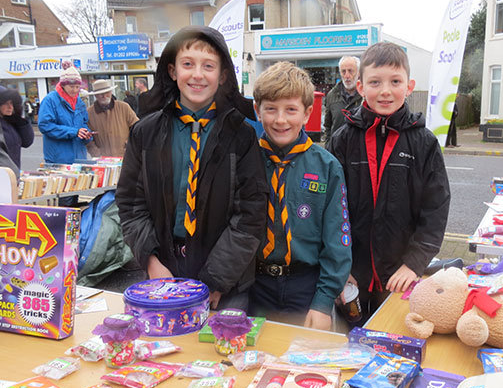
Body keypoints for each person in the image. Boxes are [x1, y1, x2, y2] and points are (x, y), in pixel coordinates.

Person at [116, 26, 268, 312]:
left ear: (222, 76)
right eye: (188, 64)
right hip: (161, 276)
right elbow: (130, 203)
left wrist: (215, 280)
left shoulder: (242, 135)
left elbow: (251, 213)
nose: (197, 75)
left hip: (226, 287)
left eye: (208, 66)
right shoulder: (144, 133)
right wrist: (151, 263)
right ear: (173, 71)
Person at [330, 42, 451, 325]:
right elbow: (330, 208)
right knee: (351, 344)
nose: (385, 91)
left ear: (409, 86)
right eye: (375, 82)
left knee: (393, 342)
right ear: (360, 87)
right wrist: (337, 264)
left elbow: (436, 208)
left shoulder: (424, 143)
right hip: (351, 274)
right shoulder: (342, 140)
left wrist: (414, 263)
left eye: (395, 81)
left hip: (399, 275)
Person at [249, 62, 351, 330]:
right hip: (253, 288)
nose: (280, 120)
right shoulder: (245, 161)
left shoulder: (327, 167)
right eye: (271, 109)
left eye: (291, 110)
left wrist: (323, 301)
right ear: (257, 111)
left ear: (307, 113)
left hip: (306, 288)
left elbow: (337, 240)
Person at [38, 63, 92, 164]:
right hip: (58, 160)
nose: (75, 90)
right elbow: (45, 125)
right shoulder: (50, 100)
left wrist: (87, 134)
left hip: (80, 158)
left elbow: (84, 123)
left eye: (77, 87)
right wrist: (74, 132)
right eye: (72, 86)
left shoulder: (79, 102)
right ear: (63, 85)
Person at [86, 79, 139, 158]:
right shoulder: (89, 113)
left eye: (107, 92)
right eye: (100, 94)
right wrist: (96, 152)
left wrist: (130, 145)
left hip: (125, 157)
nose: (104, 96)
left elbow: (137, 127)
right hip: (102, 159)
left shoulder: (123, 107)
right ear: (95, 95)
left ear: (111, 92)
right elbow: (87, 136)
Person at [323, 56, 362, 146]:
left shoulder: (366, 95)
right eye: (343, 71)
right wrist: (329, 147)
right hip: (337, 151)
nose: (347, 76)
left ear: (359, 73)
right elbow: (328, 126)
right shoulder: (331, 95)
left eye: (350, 71)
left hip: (359, 151)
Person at [0, 86, 34, 170]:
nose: (10, 107)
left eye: (12, 103)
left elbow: (27, 142)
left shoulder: (10, 121)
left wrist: (21, 122)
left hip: (12, 173)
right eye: (6, 103)